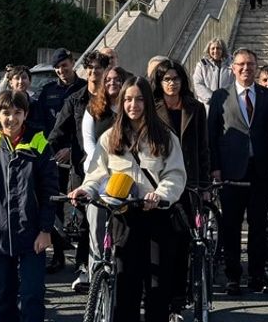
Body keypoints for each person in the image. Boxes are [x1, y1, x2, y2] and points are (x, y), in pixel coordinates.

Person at [71, 78, 187, 322]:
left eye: (139, 99)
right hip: (124, 218)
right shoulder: (109, 138)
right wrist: (85, 190)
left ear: (147, 101)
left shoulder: (165, 137)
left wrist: (161, 195)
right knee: (126, 287)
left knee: (157, 289)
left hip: (157, 216)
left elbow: (175, 174)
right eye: (128, 99)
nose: (133, 104)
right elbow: (96, 174)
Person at [207, 49, 268, 295]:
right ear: (233, 68)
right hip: (231, 171)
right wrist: (215, 168)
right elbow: (212, 135)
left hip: (260, 170)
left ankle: (256, 275)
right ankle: (232, 277)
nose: (245, 69)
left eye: (250, 65)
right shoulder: (220, 97)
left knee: (259, 225)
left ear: (256, 67)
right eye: (241, 65)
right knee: (231, 226)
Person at [0, 90, 56, 322]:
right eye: (6, 113)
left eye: (17, 112)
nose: (12, 118)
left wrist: (45, 230)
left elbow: (50, 191)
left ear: (26, 114)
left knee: (32, 295)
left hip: (33, 235)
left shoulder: (39, 143)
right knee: (4, 296)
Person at [153, 60, 211, 316]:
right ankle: (160, 297)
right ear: (159, 82)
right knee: (163, 243)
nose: (172, 83)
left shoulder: (195, 108)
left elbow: (203, 147)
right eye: (167, 79)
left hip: (190, 184)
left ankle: (178, 298)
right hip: (161, 183)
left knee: (183, 243)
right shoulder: (152, 110)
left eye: (176, 78)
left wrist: (205, 183)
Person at [47, 49, 106, 280]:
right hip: (82, 169)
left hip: (113, 170)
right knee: (82, 221)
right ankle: (83, 267)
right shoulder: (75, 100)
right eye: (90, 69)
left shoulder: (115, 98)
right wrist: (37, 150)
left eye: (98, 68)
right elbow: (56, 133)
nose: (94, 73)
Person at [80, 66, 127, 289]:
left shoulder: (131, 107)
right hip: (99, 173)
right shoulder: (94, 108)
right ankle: (95, 274)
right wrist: (101, 162)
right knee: (96, 225)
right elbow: (88, 140)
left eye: (117, 79)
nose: (112, 83)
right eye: (108, 80)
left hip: (125, 176)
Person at [191, 38, 233, 104]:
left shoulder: (231, 64)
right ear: (208, 50)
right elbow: (198, 83)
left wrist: (224, 97)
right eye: (213, 48)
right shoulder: (202, 65)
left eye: (218, 48)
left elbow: (233, 84)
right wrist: (212, 97)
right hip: (207, 104)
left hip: (226, 104)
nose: (215, 51)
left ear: (223, 50)